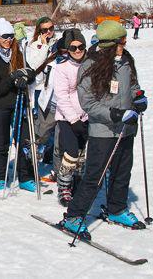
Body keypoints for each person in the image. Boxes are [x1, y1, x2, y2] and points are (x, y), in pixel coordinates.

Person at [61, 20, 148, 238]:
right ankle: (73, 216)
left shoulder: (126, 60)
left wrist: (139, 98)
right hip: (103, 131)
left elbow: (133, 86)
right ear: (110, 44)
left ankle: (116, 209)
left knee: (121, 173)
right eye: (121, 41)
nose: (125, 44)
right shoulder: (90, 65)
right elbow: (87, 102)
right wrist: (114, 114)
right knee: (94, 176)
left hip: (126, 129)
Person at [0, 18, 37, 192]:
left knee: (23, 142)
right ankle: (0, 177)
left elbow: (30, 72)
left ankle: (25, 177)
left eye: (11, 36)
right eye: (5, 37)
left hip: (19, 104)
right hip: (0, 107)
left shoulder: (18, 53)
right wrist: (13, 78)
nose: (8, 40)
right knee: (1, 143)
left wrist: (26, 77)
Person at [53, 28, 89, 207]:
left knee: (82, 153)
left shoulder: (89, 65)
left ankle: (79, 182)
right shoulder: (62, 68)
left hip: (86, 116)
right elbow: (61, 96)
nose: (77, 51)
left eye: (80, 47)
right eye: (73, 48)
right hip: (67, 118)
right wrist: (73, 120)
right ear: (68, 50)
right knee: (71, 153)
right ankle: (64, 185)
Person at [26, 17, 58, 164]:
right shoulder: (33, 45)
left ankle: (49, 154)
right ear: (39, 30)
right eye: (45, 29)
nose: (49, 32)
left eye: (51, 28)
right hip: (39, 88)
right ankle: (36, 152)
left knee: (53, 122)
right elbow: (33, 66)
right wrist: (44, 47)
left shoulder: (57, 43)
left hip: (54, 88)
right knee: (42, 124)